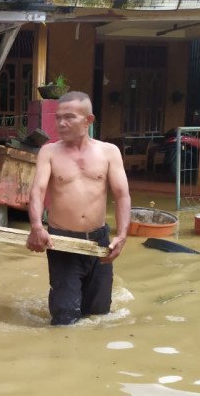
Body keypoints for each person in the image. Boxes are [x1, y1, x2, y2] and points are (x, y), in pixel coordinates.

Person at [26, 91, 131, 326]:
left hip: (98, 243)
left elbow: (122, 195)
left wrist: (122, 235)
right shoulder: (49, 152)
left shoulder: (109, 152)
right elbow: (37, 192)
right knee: (65, 318)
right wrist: (36, 226)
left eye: (69, 117)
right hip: (62, 242)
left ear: (88, 120)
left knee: (98, 316)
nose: (61, 123)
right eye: (58, 118)